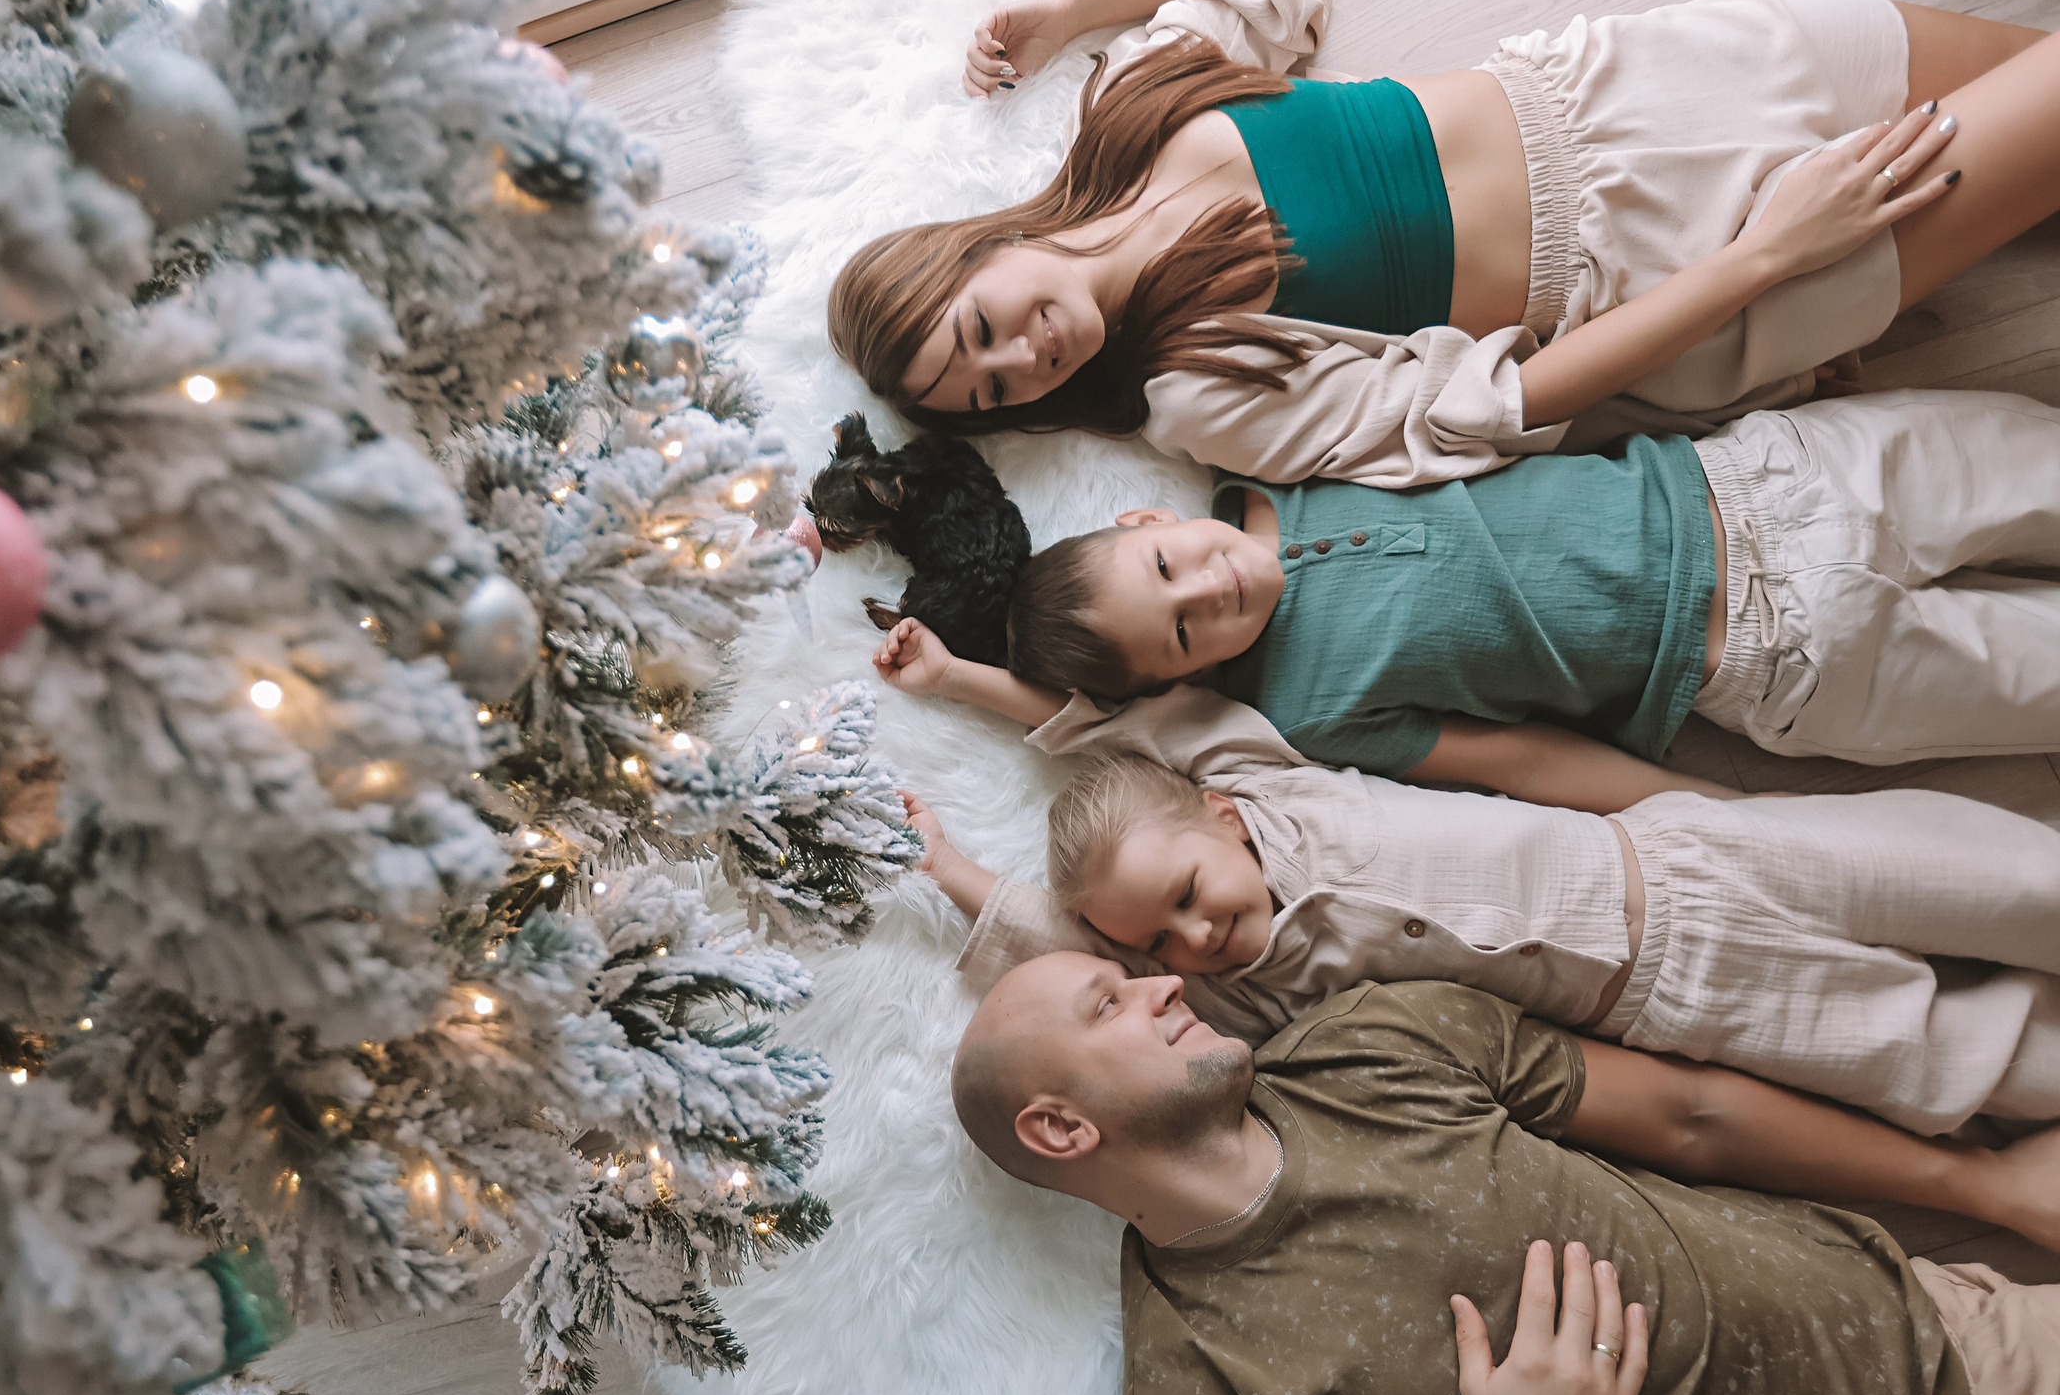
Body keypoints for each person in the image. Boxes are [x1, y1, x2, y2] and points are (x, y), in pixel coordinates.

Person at [828, 0, 2060, 486]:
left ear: (973, 252)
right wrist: (1770, 258)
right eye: (999, 393)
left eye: (982, 329)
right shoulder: (1191, 393)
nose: (1026, 358)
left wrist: (1065, 15)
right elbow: (1499, 407)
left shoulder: (1129, 105)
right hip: (1700, 254)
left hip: (1646, 77)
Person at [953, 951, 2060, 1395]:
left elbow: (1693, 1117)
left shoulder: (1369, 1042)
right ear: (1058, 1130)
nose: (1160, 985)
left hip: (1974, 1349)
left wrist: (1980, 1189)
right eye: (1110, 1003)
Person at [865, 387, 2060, 792]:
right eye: (1182, 634)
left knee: (2022, 460)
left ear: (1149, 516)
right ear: (1187, 676)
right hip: (1771, 659)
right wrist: (1697, 813)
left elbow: (1505, 400)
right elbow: (1522, 765)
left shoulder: (1277, 469)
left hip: (1749, 486)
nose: (1208, 594)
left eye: (1170, 565)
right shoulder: (1309, 711)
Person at [895, 732, 2060, 1133]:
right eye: (1163, 941)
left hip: (1686, 853)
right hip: (1671, 1002)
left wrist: (964, 670)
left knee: (2000, 875)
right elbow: (1070, 949)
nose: (1194, 936)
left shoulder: (1273, 782)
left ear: (1222, 815)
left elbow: (1131, 695)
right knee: (1945, 1059)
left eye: (1191, 892)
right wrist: (954, 873)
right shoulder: (1246, 1002)